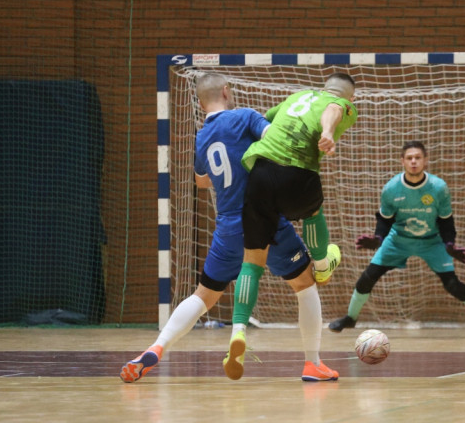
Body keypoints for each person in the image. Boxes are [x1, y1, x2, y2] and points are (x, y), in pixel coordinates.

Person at [120, 72, 334, 383]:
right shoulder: (244, 117)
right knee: (305, 285)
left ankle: (156, 346)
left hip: (227, 227)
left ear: (199, 100)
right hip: (263, 220)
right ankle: (313, 364)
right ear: (226, 91)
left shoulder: (202, 136)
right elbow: (277, 139)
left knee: (203, 296)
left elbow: (201, 180)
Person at [224, 73, 358, 381]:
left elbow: (267, 121)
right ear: (350, 97)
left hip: (259, 173)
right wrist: (327, 132)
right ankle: (323, 266)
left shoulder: (296, 97)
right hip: (296, 172)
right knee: (313, 211)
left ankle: (238, 330)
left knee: (252, 261)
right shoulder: (341, 103)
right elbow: (333, 110)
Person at [328, 141, 465, 338]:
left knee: (453, 285)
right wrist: (378, 238)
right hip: (398, 240)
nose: (413, 162)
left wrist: (449, 244)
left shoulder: (438, 187)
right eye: (409, 158)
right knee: (367, 278)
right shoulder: (391, 188)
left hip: (432, 241)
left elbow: (446, 221)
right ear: (402, 161)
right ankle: (350, 318)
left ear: (425, 161)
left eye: (418, 158)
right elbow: (385, 220)